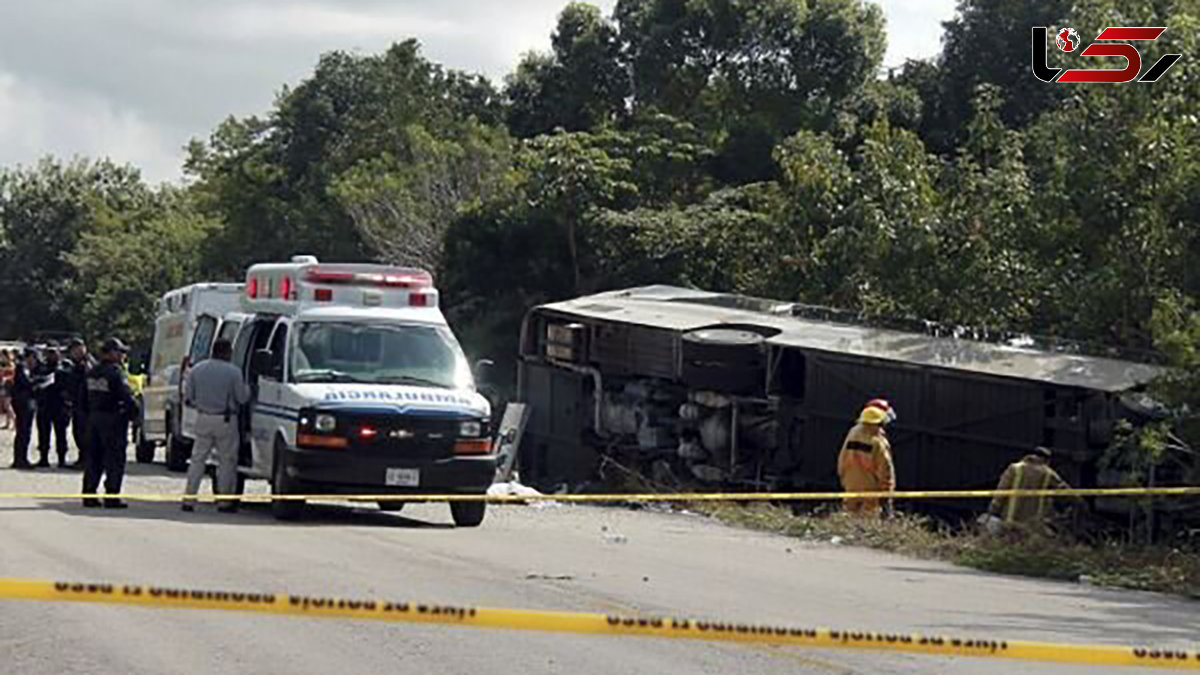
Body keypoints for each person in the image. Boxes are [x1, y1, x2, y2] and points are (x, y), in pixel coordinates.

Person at [182, 338, 250, 513]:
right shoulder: (234, 372)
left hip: (203, 417)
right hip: (226, 419)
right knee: (226, 461)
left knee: (197, 459)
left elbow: (188, 397)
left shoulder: (197, 370)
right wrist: (250, 390)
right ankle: (224, 501)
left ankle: (189, 498)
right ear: (227, 352)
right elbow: (241, 398)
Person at [82, 338, 136, 509]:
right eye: (120, 352)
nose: (122, 355)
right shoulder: (115, 372)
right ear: (111, 353)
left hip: (94, 419)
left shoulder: (91, 372)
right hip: (112, 420)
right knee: (114, 459)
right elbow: (126, 396)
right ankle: (111, 496)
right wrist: (135, 412)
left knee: (93, 459)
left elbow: (81, 398)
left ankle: (89, 494)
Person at [987, 447, 1074, 530]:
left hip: (1010, 520)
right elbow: (1064, 490)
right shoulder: (1048, 473)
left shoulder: (1014, 468)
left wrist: (993, 511)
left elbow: (1001, 491)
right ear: (1047, 460)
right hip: (1032, 524)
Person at [837, 403, 896, 516]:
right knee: (867, 522)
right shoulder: (878, 442)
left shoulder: (853, 433)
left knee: (850, 517)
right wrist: (887, 495)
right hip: (871, 489)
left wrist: (844, 479)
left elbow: (842, 458)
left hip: (851, 484)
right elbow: (885, 471)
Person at [33, 347, 70, 468]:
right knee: (43, 433)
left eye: (54, 353)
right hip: (44, 405)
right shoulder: (41, 368)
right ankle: (43, 457)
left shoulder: (64, 367)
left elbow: (70, 384)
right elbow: (35, 382)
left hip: (60, 405)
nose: (51, 356)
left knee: (61, 434)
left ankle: (62, 458)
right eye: (49, 353)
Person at [64, 338, 96, 469]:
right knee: (78, 432)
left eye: (75, 350)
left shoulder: (88, 364)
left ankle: (87, 460)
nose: (73, 353)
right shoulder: (76, 364)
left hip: (86, 405)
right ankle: (83, 458)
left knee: (84, 433)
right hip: (78, 403)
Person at [10, 348, 38, 468]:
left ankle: (21, 457)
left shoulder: (24, 367)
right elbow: (26, 383)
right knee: (23, 431)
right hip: (23, 403)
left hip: (24, 402)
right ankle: (20, 459)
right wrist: (37, 382)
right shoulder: (22, 367)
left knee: (24, 431)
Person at [0, 351, 13, 430]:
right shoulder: (3, 364)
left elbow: (12, 374)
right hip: (4, 387)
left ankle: (15, 422)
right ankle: (8, 423)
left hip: (8, 387)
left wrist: (5, 377)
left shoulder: (10, 364)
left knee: (8, 406)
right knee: (6, 405)